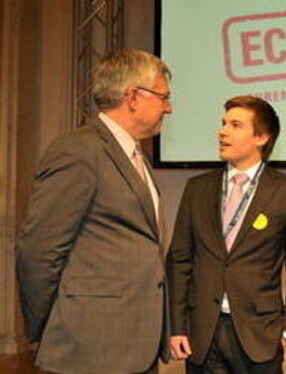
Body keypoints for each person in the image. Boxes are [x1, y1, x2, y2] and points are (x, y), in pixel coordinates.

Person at [16, 49, 173, 374]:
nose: (168, 108)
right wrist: (49, 326)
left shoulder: (135, 157)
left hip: (135, 348)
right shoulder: (78, 151)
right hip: (89, 348)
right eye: (163, 97)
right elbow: (39, 250)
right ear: (133, 97)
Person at [167, 95, 286, 374]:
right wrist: (177, 326)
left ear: (262, 137)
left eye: (235, 125)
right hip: (202, 335)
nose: (222, 131)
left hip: (259, 337)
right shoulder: (197, 188)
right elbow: (179, 260)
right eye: (223, 123)